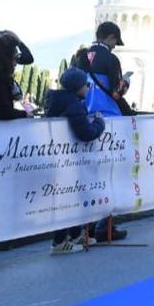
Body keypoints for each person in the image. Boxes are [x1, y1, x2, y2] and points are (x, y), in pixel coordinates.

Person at [73, 21, 131, 239]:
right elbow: (117, 93)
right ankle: (105, 227)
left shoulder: (81, 56)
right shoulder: (111, 58)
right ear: (111, 38)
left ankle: (85, 227)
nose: (115, 46)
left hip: (85, 119)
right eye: (116, 42)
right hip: (110, 121)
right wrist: (126, 81)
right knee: (110, 175)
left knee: (89, 175)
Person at [45, 67, 105, 254]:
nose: (88, 87)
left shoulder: (57, 101)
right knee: (69, 198)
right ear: (78, 87)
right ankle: (60, 241)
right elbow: (86, 134)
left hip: (58, 158)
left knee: (70, 196)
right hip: (69, 160)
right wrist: (99, 123)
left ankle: (75, 234)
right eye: (86, 84)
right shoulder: (74, 105)